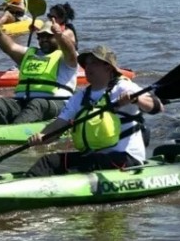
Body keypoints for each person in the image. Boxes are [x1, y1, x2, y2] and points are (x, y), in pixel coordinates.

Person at [25, 45, 161, 177]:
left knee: (90, 163)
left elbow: (157, 107)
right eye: (86, 64)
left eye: (94, 63)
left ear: (108, 67)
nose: (88, 67)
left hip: (126, 158)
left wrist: (136, 99)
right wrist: (42, 136)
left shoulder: (123, 87)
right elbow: (59, 124)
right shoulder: (79, 98)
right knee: (49, 161)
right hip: (93, 157)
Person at [0, 10, 79, 125]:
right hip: (23, 102)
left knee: (37, 104)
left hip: (57, 105)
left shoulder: (67, 57)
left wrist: (60, 35)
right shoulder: (30, 53)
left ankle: (12, 130)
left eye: (49, 36)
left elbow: (70, 50)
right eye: (40, 36)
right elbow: (10, 47)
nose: (44, 39)